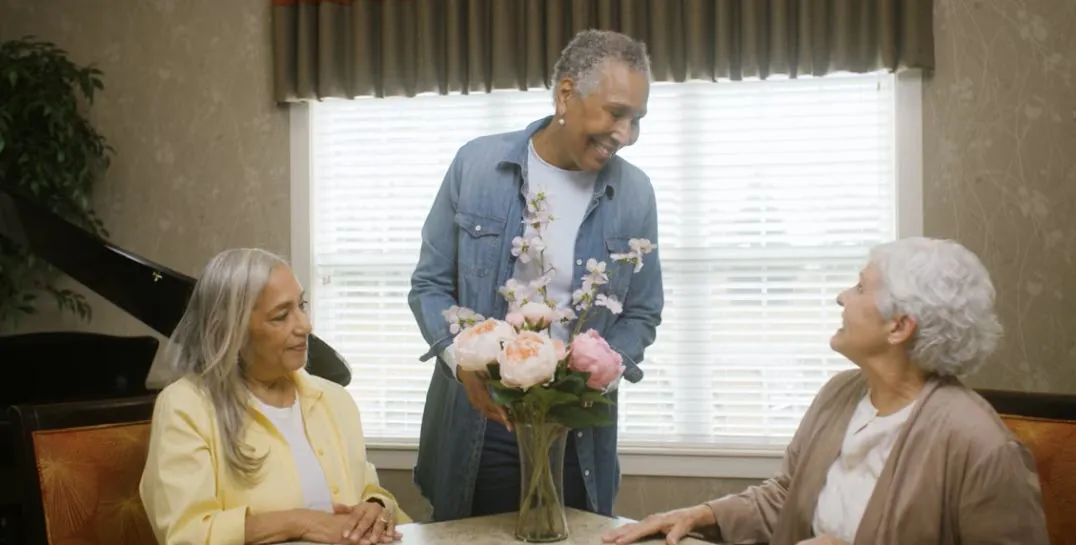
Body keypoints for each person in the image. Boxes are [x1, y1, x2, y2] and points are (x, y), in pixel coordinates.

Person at [602, 237, 1049, 545]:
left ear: (899, 326)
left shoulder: (981, 446)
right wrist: (701, 514)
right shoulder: (842, 393)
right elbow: (787, 496)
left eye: (859, 286)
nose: (841, 297)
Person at [407, 29, 664, 521]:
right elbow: (431, 284)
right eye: (616, 113)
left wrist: (593, 377)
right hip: (479, 421)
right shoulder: (476, 165)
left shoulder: (635, 194)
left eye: (637, 119)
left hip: (577, 428)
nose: (626, 134)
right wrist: (463, 363)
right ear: (566, 93)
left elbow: (643, 311)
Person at [140, 248, 408, 545]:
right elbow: (186, 534)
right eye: (281, 316)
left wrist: (376, 507)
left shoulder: (335, 400)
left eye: (301, 305)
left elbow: (370, 488)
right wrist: (300, 523)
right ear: (233, 331)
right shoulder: (184, 407)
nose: (305, 325)